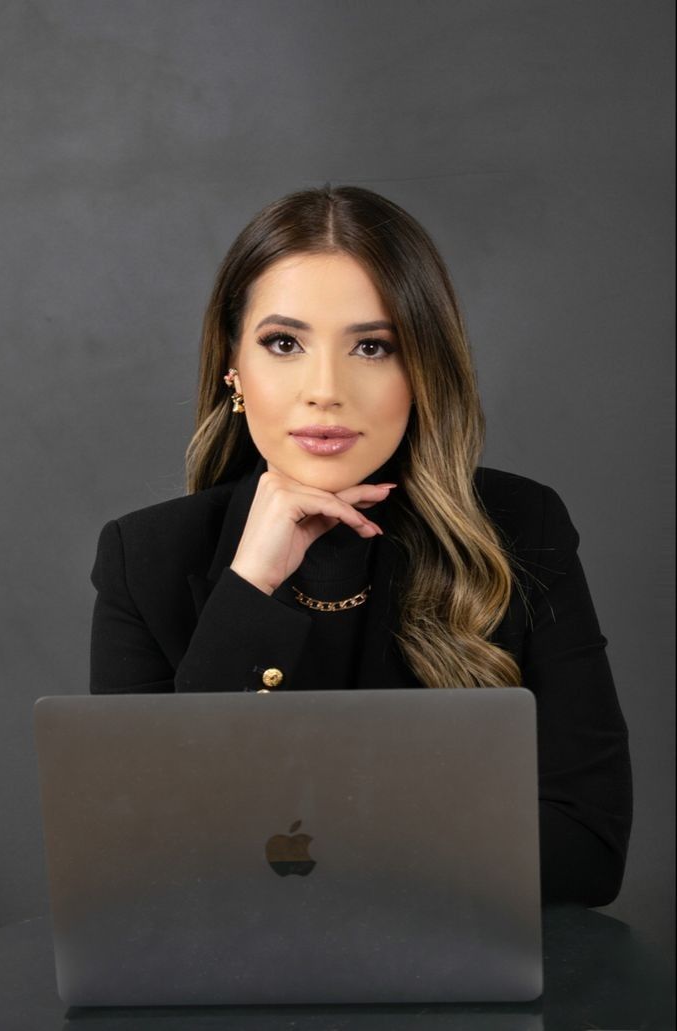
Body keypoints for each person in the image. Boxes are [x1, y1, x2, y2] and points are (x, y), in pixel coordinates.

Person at [89, 184, 632, 906]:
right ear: (233, 367)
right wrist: (248, 587)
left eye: (372, 347)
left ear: (422, 370)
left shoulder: (520, 527)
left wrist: (299, 842)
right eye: (283, 343)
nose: (325, 390)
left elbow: (587, 851)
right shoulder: (145, 558)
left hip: (458, 988)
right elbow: (142, 865)